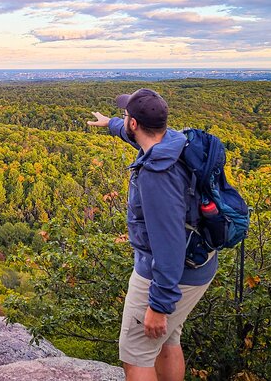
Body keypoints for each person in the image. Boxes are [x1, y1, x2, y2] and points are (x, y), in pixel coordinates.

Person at [88, 89, 216, 381]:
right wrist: (110, 124)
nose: (124, 120)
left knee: (136, 355)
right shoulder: (175, 142)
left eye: (125, 116)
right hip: (198, 263)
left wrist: (159, 305)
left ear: (135, 124)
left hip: (169, 274)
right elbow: (132, 133)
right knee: (167, 339)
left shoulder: (158, 174)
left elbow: (168, 245)